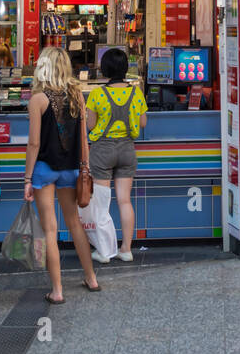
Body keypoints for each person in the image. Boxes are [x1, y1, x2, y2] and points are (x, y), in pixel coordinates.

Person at [23, 46, 100, 304]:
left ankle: (57, 290)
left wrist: (27, 178)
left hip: (45, 169)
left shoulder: (37, 99)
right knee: (74, 222)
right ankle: (91, 277)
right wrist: (85, 166)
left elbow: (33, 144)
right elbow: (83, 137)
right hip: (71, 169)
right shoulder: (77, 95)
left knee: (50, 229)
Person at [85, 48, 148, 263]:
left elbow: (90, 124)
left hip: (102, 150)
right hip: (127, 149)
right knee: (124, 200)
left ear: (104, 69)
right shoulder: (136, 92)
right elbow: (143, 122)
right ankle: (126, 249)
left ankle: (104, 251)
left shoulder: (97, 94)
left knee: (101, 203)